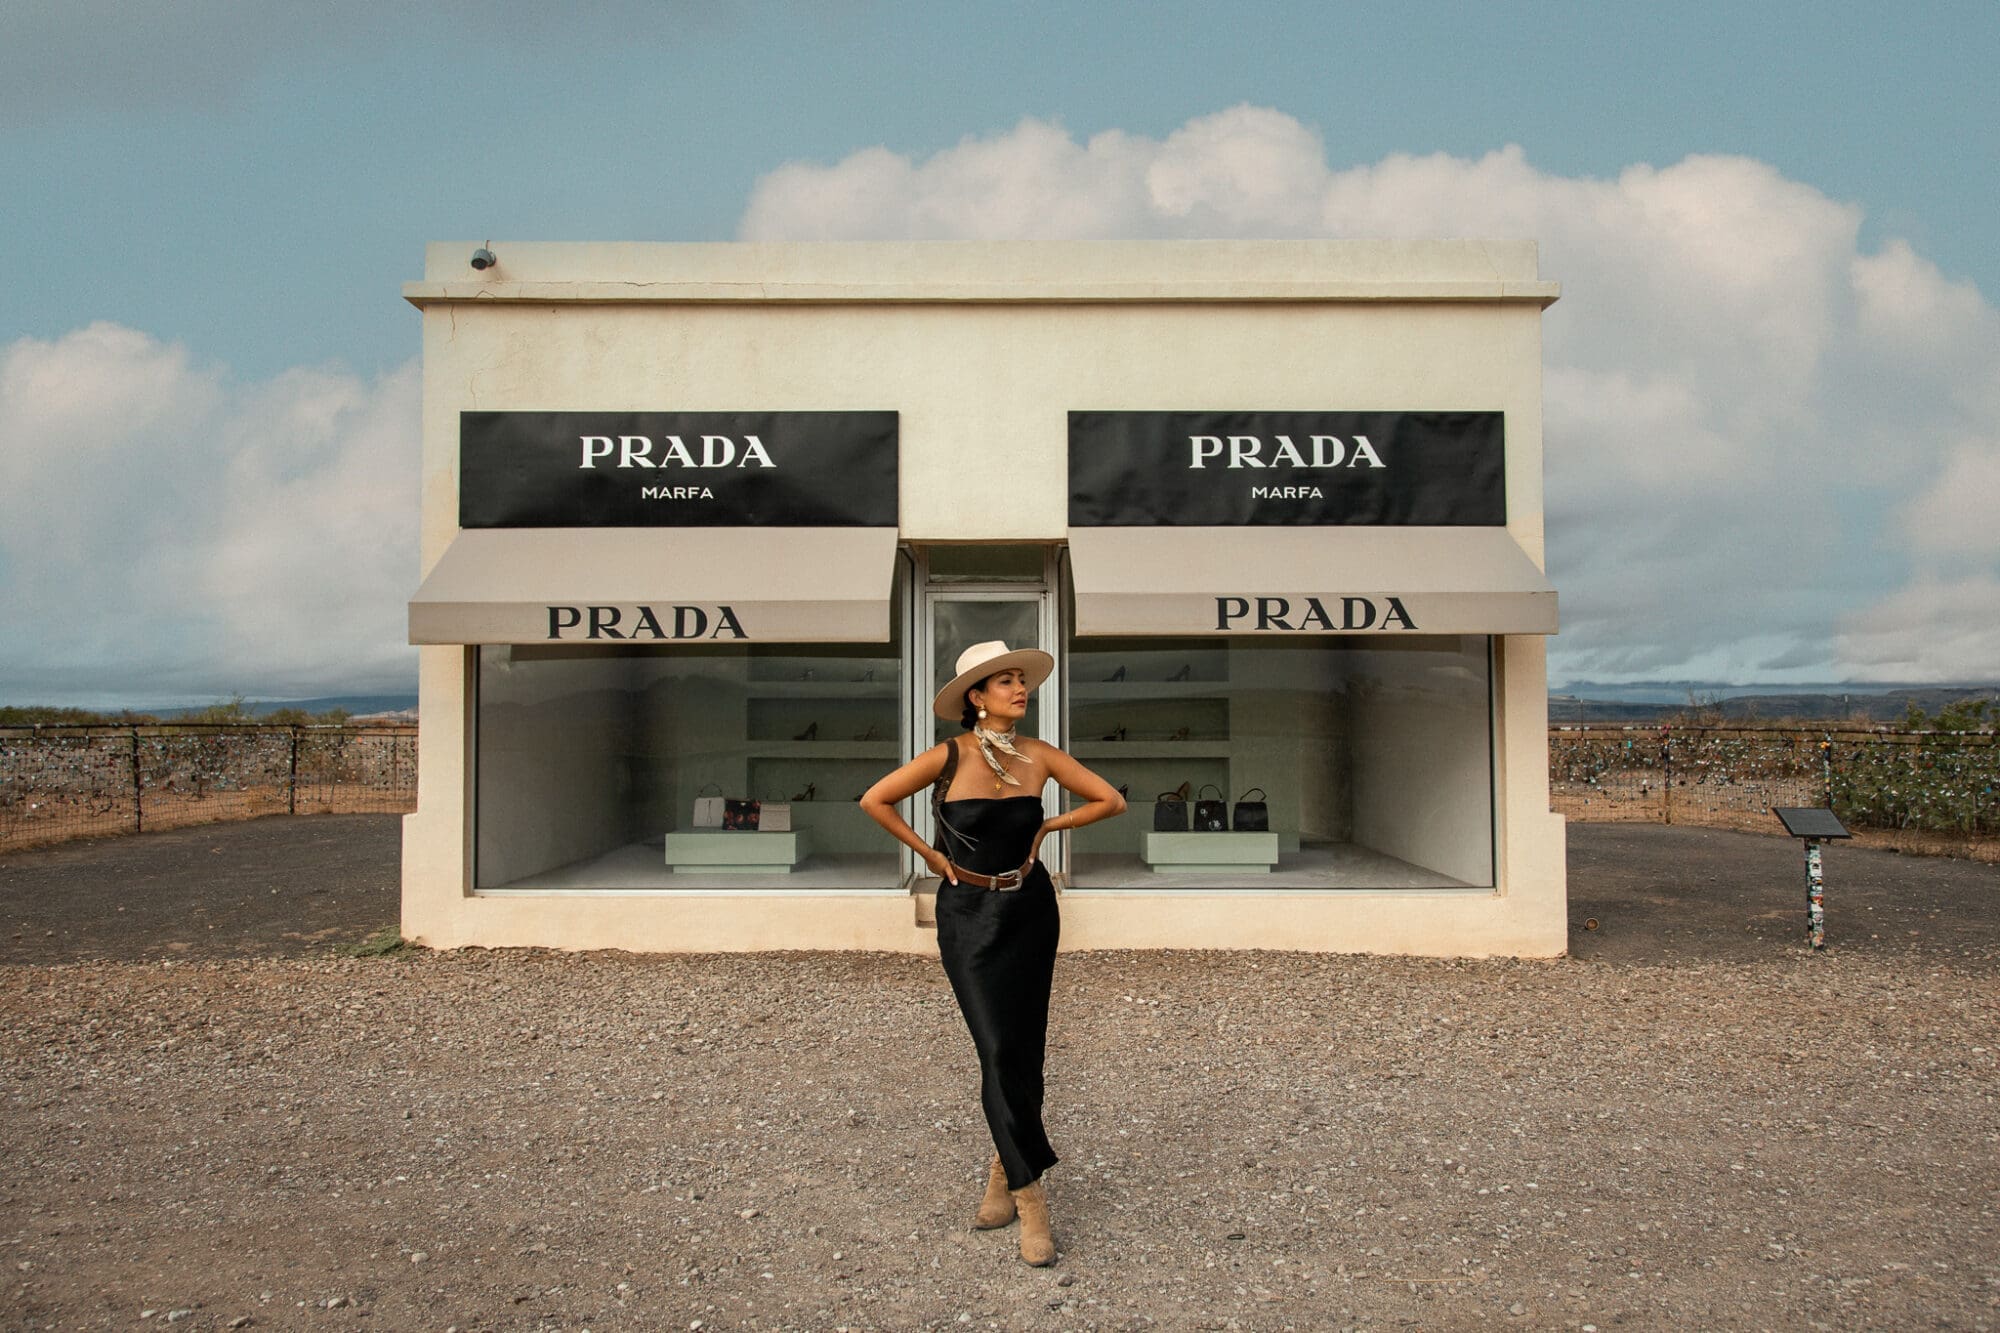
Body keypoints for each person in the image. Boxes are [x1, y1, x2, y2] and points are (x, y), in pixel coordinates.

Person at [859, 640, 1126, 1267]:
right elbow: (874, 799)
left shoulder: (1040, 755)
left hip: (1030, 909)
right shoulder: (948, 756)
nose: (1018, 688)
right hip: (968, 916)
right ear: (976, 697)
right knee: (997, 1048)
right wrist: (930, 856)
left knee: (1025, 1048)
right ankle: (1032, 1201)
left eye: (1019, 679)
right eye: (1004, 681)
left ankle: (1004, 1171)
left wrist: (1048, 826)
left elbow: (1110, 801)